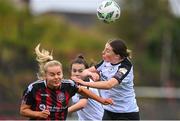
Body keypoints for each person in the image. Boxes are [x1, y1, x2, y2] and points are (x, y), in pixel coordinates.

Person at [19, 44, 113, 120]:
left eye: (59, 74)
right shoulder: (34, 88)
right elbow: (23, 111)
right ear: (45, 76)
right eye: (52, 75)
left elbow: (83, 91)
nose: (56, 77)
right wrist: (38, 114)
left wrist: (101, 100)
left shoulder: (68, 85)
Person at [72, 39, 140, 120]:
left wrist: (84, 83)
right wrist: (91, 74)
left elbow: (109, 85)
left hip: (126, 113)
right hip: (108, 111)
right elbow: (84, 72)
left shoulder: (125, 67)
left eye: (107, 51)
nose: (103, 52)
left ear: (117, 56)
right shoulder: (106, 62)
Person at [68, 55, 104, 121]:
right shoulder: (73, 84)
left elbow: (82, 104)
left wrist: (63, 111)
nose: (77, 73)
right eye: (74, 71)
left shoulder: (86, 83)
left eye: (80, 71)